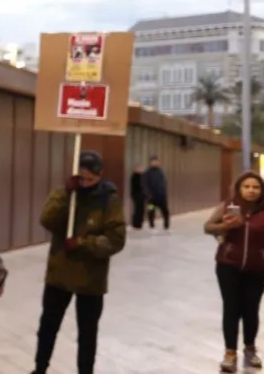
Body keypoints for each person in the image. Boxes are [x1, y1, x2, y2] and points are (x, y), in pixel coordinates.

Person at [31, 151, 126, 374]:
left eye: (90, 179)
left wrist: (84, 243)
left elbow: (116, 239)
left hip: (90, 280)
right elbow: (47, 219)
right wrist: (66, 194)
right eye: (81, 177)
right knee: (48, 327)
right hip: (59, 274)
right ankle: (39, 368)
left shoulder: (109, 200)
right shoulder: (66, 193)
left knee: (87, 333)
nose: (85, 183)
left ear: (100, 176)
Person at [203, 172, 264, 372]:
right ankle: (229, 353)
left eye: (255, 187)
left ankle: (250, 349)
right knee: (231, 308)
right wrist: (226, 226)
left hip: (257, 269)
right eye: (246, 186)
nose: (251, 190)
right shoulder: (228, 205)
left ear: (261, 190)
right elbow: (208, 227)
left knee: (251, 309)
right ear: (239, 188)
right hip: (228, 265)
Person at [142, 155, 170, 230]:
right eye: (153, 162)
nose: (155, 163)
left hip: (161, 197)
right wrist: (148, 195)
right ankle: (151, 224)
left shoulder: (160, 172)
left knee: (165, 210)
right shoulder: (147, 173)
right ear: (150, 163)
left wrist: (163, 192)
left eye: (156, 161)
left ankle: (166, 224)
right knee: (151, 210)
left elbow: (163, 183)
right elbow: (144, 185)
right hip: (151, 198)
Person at [129, 164, 146, 229]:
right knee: (137, 209)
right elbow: (136, 186)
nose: (140, 170)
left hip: (142, 195)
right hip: (136, 195)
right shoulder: (134, 177)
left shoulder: (142, 176)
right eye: (138, 168)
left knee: (141, 209)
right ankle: (136, 223)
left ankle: (140, 223)